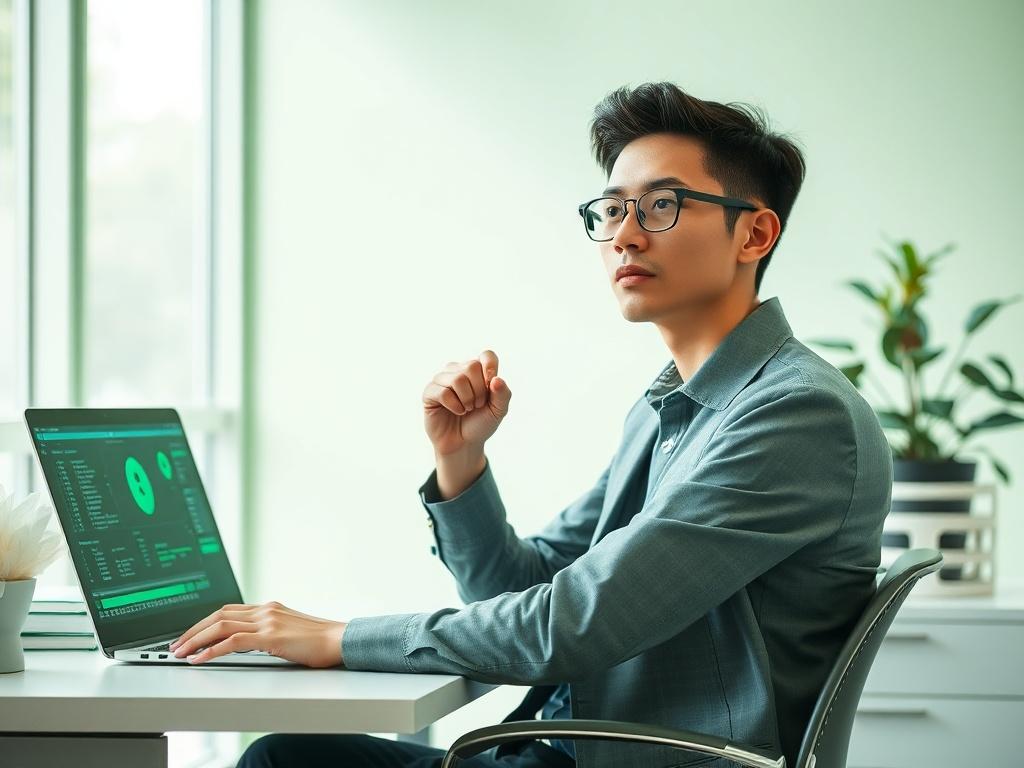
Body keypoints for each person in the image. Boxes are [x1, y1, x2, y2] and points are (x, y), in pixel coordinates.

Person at [169, 82, 892, 768]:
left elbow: (571, 624)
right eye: (611, 211)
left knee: (283, 760)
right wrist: (461, 462)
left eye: (662, 206)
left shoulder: (796, 415)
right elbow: (526, 587)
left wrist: (335, 637)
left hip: (628, 759)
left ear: (753, 234)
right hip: (561, 747)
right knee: (285, 756)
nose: (625, 238)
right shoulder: (671, 408)